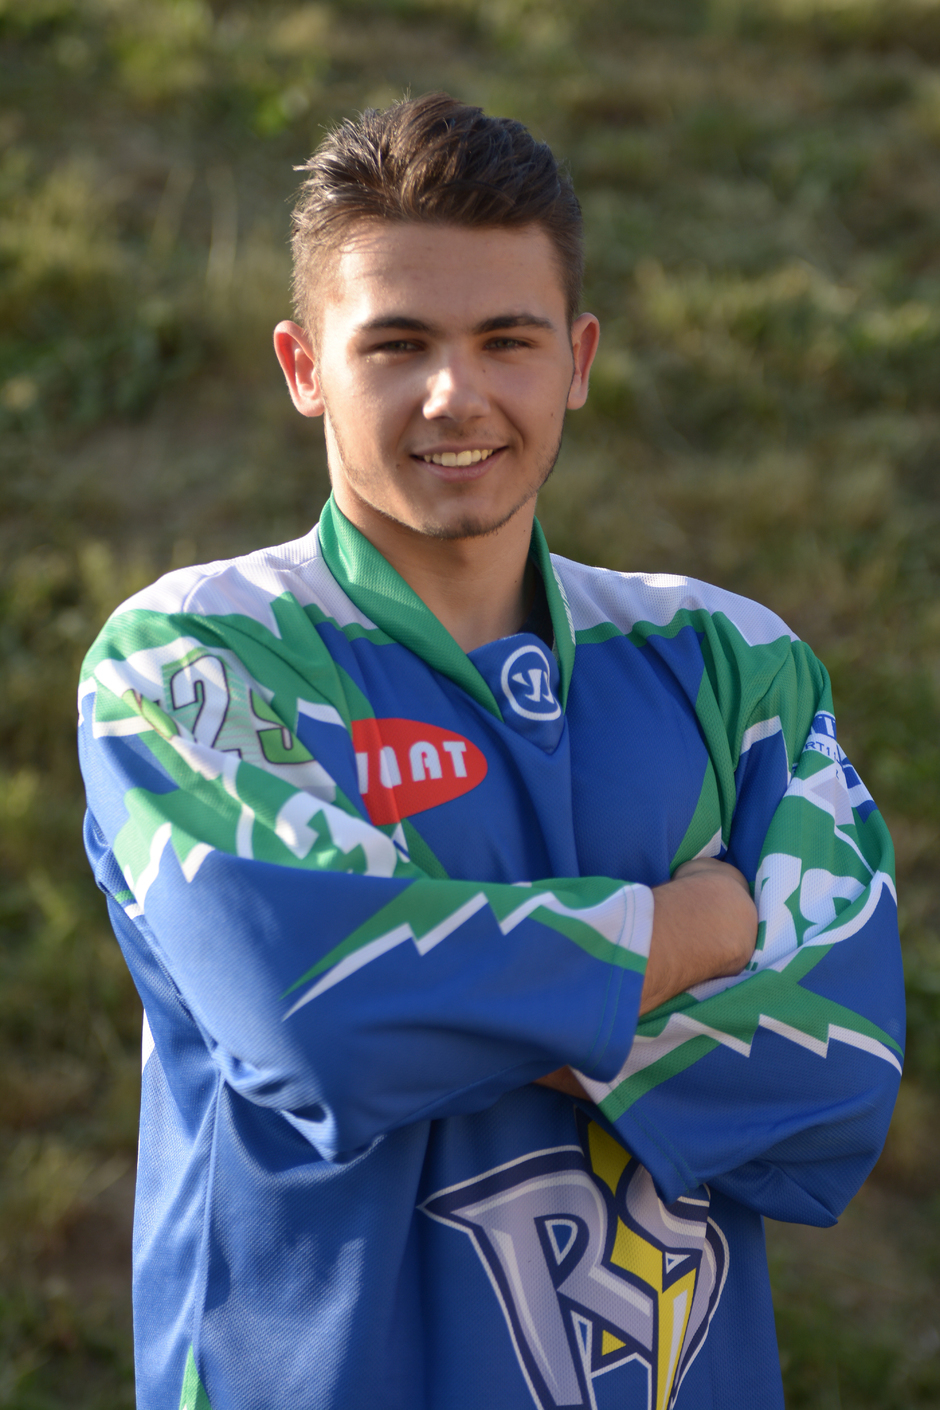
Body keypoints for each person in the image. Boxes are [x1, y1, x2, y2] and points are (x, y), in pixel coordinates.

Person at [78, 94, 904, 1410]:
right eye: (397, 343)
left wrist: (455, 980)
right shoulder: (194, 661)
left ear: (577, 357)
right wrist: (689, 929)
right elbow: (316, 1016)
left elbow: (838, 1067)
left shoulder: (729, 665)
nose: (454, 394)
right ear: (304, 366)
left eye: (506, 340)